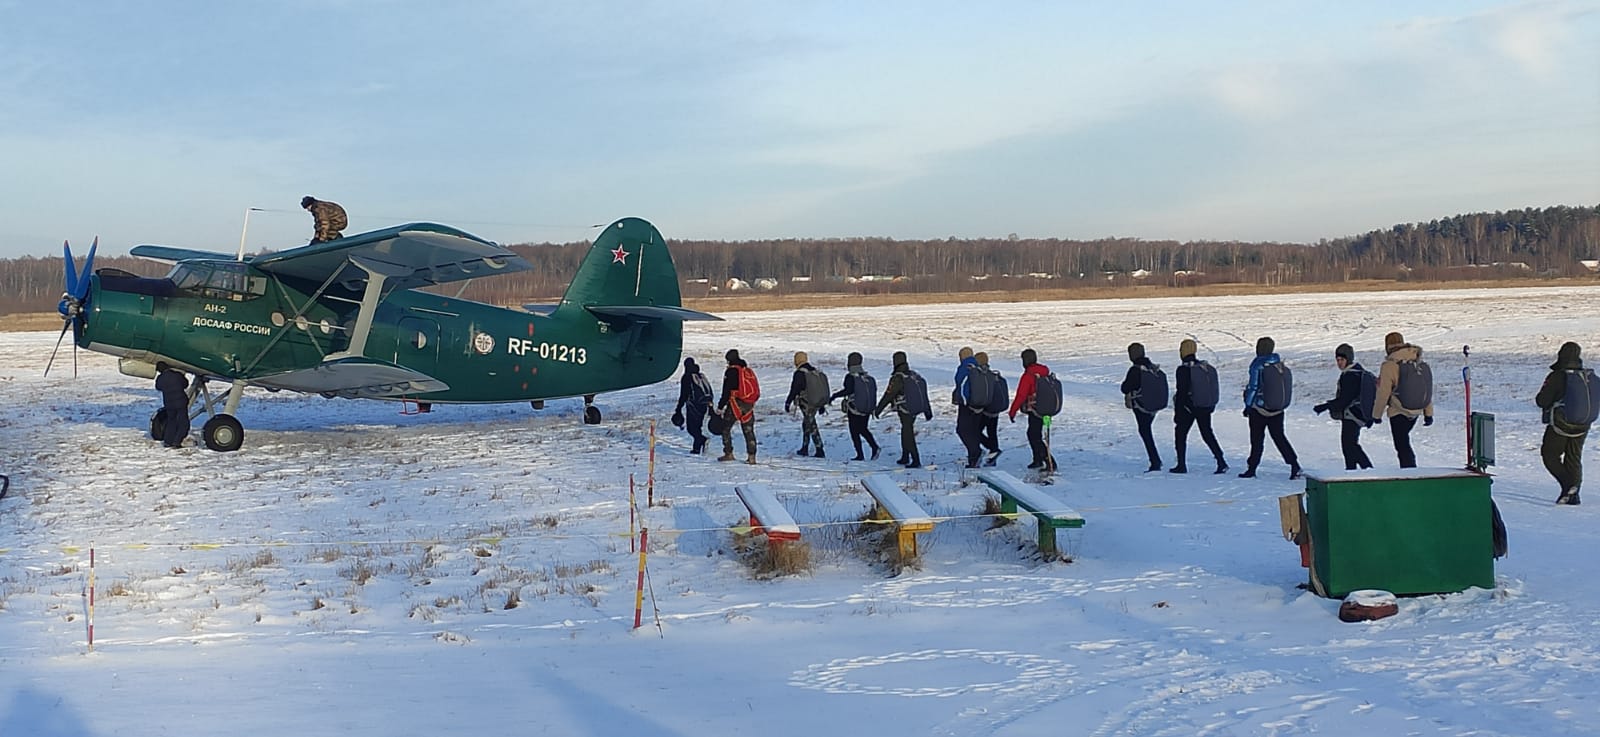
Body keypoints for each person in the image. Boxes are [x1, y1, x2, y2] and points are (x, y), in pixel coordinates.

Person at [1240, 336, 1301, 479]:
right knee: (1279, 438)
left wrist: (1248, 405)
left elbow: (1253, 386)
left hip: (1259, 409)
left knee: (1257, 440)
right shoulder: (1279, 364)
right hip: (1277, 409)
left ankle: (1252, 468)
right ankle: (1294, 464)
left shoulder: (1257, 364)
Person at [1371, 331, 1434, 468]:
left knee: (1401, 445)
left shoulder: (1389, 365)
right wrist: (1428, 414)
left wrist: (1376, 415)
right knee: (1404, 442)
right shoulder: (1418, 362)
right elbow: (1424, 389)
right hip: (1416, 410)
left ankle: (1409, 472)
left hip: (1398, 411)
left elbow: (1383, 393)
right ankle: (1410, 469)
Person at [1536, 342, 1588, 505]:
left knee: (1550, 455)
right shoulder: (1587, 376)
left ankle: (1568, 486)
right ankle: (1573, 496)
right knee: (1574, 458)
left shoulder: (1557, 376)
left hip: (1560, 425)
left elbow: (1542, 400)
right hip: (1583, 424)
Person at [1312, 344, 1374, 471]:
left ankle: (1365, 470)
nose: (1339, 363)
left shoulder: (1350, 376)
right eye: (1337, 360)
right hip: (1358, 414)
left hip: (1352, 414)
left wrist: (1325, 406)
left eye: (1342, 360)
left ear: (1348, 359)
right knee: (1350, 445)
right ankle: (1354, 470)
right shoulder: (1358, 372)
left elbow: (1344, 400)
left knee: (1349, 445)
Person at [1171, 339, 1227, 474]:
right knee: (1207, 434)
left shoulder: (1183, 369)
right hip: (1204, 406)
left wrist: (1178, 412)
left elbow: (1182, 392)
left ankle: (1181, 465)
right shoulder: (1203, 368)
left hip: (1188, 408)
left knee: (1181, 435)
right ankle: (1221, 460)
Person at [874, 351, 932, 468]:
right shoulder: (913, 375)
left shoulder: (898, 378)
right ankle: (905, 456)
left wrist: (878, 410)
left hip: (905, 409)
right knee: (906, 430)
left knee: (907, 433)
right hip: (914, 409)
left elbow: (888, 395)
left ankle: (915, 460)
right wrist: (927, 411)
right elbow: (923, 394)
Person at [828, 352, 881, 460]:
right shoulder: (867, 377)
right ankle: (874, 447)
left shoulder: (850, 377)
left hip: (854, 408)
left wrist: (834, 396)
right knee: (863, 429)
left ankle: (860, 454)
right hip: (866, 408)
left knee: (854, 431)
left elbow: (848, 390)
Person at [1008, 348, 1055, 470]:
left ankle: (1049, 461)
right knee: (1039, 434)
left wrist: (1012, 411)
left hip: (1035, 410)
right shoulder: (1045, 372)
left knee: (1034, 435)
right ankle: (1037, 459)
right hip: (1048, 409)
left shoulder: (1028, 375)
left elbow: (1021, 395)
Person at [1120, 342, 1163, 472]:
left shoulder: (1135, 370)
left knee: (1145, 432)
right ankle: (1155, 460)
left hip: (1141, 406)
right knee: (1146, 431)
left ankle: (1155, 461)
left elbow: (1125, 388)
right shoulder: (1153, 368)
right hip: (1153, 405)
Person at [717, 349, 758, 464]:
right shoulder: (746, 370)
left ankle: (728, 453)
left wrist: (720, 407)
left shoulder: (731, 371)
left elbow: (726, 391)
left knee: (725, 429)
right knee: (749, 431)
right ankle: (752, 457)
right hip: (748, 404)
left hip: (735, 404)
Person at [784, 351, 827, 457]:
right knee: (806, 424)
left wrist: (788, 401)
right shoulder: (814, 371)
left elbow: (795, 389)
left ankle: (819, 449)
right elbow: (819, 389)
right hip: (816, 402)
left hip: (806, 403)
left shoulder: (800, 373)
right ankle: (805, 447)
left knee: (811, 424)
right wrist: (821, 405)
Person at [671, 357, 713, 454]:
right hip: (703, 405)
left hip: (693, 405)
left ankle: (702, 440)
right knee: (697, 426)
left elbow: (683, 394)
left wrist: (678, 408)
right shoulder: (700, 376)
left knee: (691, 428)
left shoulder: (687, 377)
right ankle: (697, 448)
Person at [953, 346, 986, 468]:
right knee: (973, 431)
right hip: (980, 404)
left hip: (968, 404)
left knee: (962, 430)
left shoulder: (964, 368)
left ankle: (975, 453)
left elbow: (961, 385)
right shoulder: (978, 367)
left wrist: (963, 401)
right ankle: (973, 459)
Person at [974, 352, 1003, 465]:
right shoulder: (993, 374)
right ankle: (993, 455)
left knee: (975, 432)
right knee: (992, 432)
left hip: (985, 410)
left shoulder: (982, 374)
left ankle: (993, 450)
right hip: (995, 410)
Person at [154, 361, 191, 449]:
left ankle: (168, 441)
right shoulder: (176, 375)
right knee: (183, 423)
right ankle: (177, 441)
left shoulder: (160, 378)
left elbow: (158, 387)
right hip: (181, 402)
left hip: (169, 403)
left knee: (171, 422)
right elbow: (185, 384)